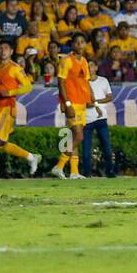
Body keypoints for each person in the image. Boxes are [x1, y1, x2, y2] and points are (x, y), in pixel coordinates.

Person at [0, 39, 41, 180]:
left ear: (11, 51)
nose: (2, 50)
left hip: (7, 108)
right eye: (0, 48)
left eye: (6, 48)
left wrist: (10, 92)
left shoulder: (15, 68)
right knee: (1, 144)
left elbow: (28, 86)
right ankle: (31, 157)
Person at [50, 32, 93, 179]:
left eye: (82, 42)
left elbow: (86, 82)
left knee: (75, 137)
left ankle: (74, 172)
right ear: (72, 45)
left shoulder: (85, 61)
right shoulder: (67, 60)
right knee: (79, 137)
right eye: (77, 42)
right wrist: (67, 103)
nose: (80, 45)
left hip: (81, 102)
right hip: (72, 102)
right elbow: (61, 82)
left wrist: (91, 98)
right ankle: (59, 165)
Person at [81, 63, 116, 178]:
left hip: (101, 118)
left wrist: (96, 102)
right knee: (86, 148)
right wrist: (87, 104)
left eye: (91, 66)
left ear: (96, 67)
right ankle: (87, 173)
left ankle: (110, 171)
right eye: (87, 66)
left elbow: (110, 97)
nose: (90, 69)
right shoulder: (82, 82)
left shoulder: (103, 81)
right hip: (87, 119)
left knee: (106, 146)